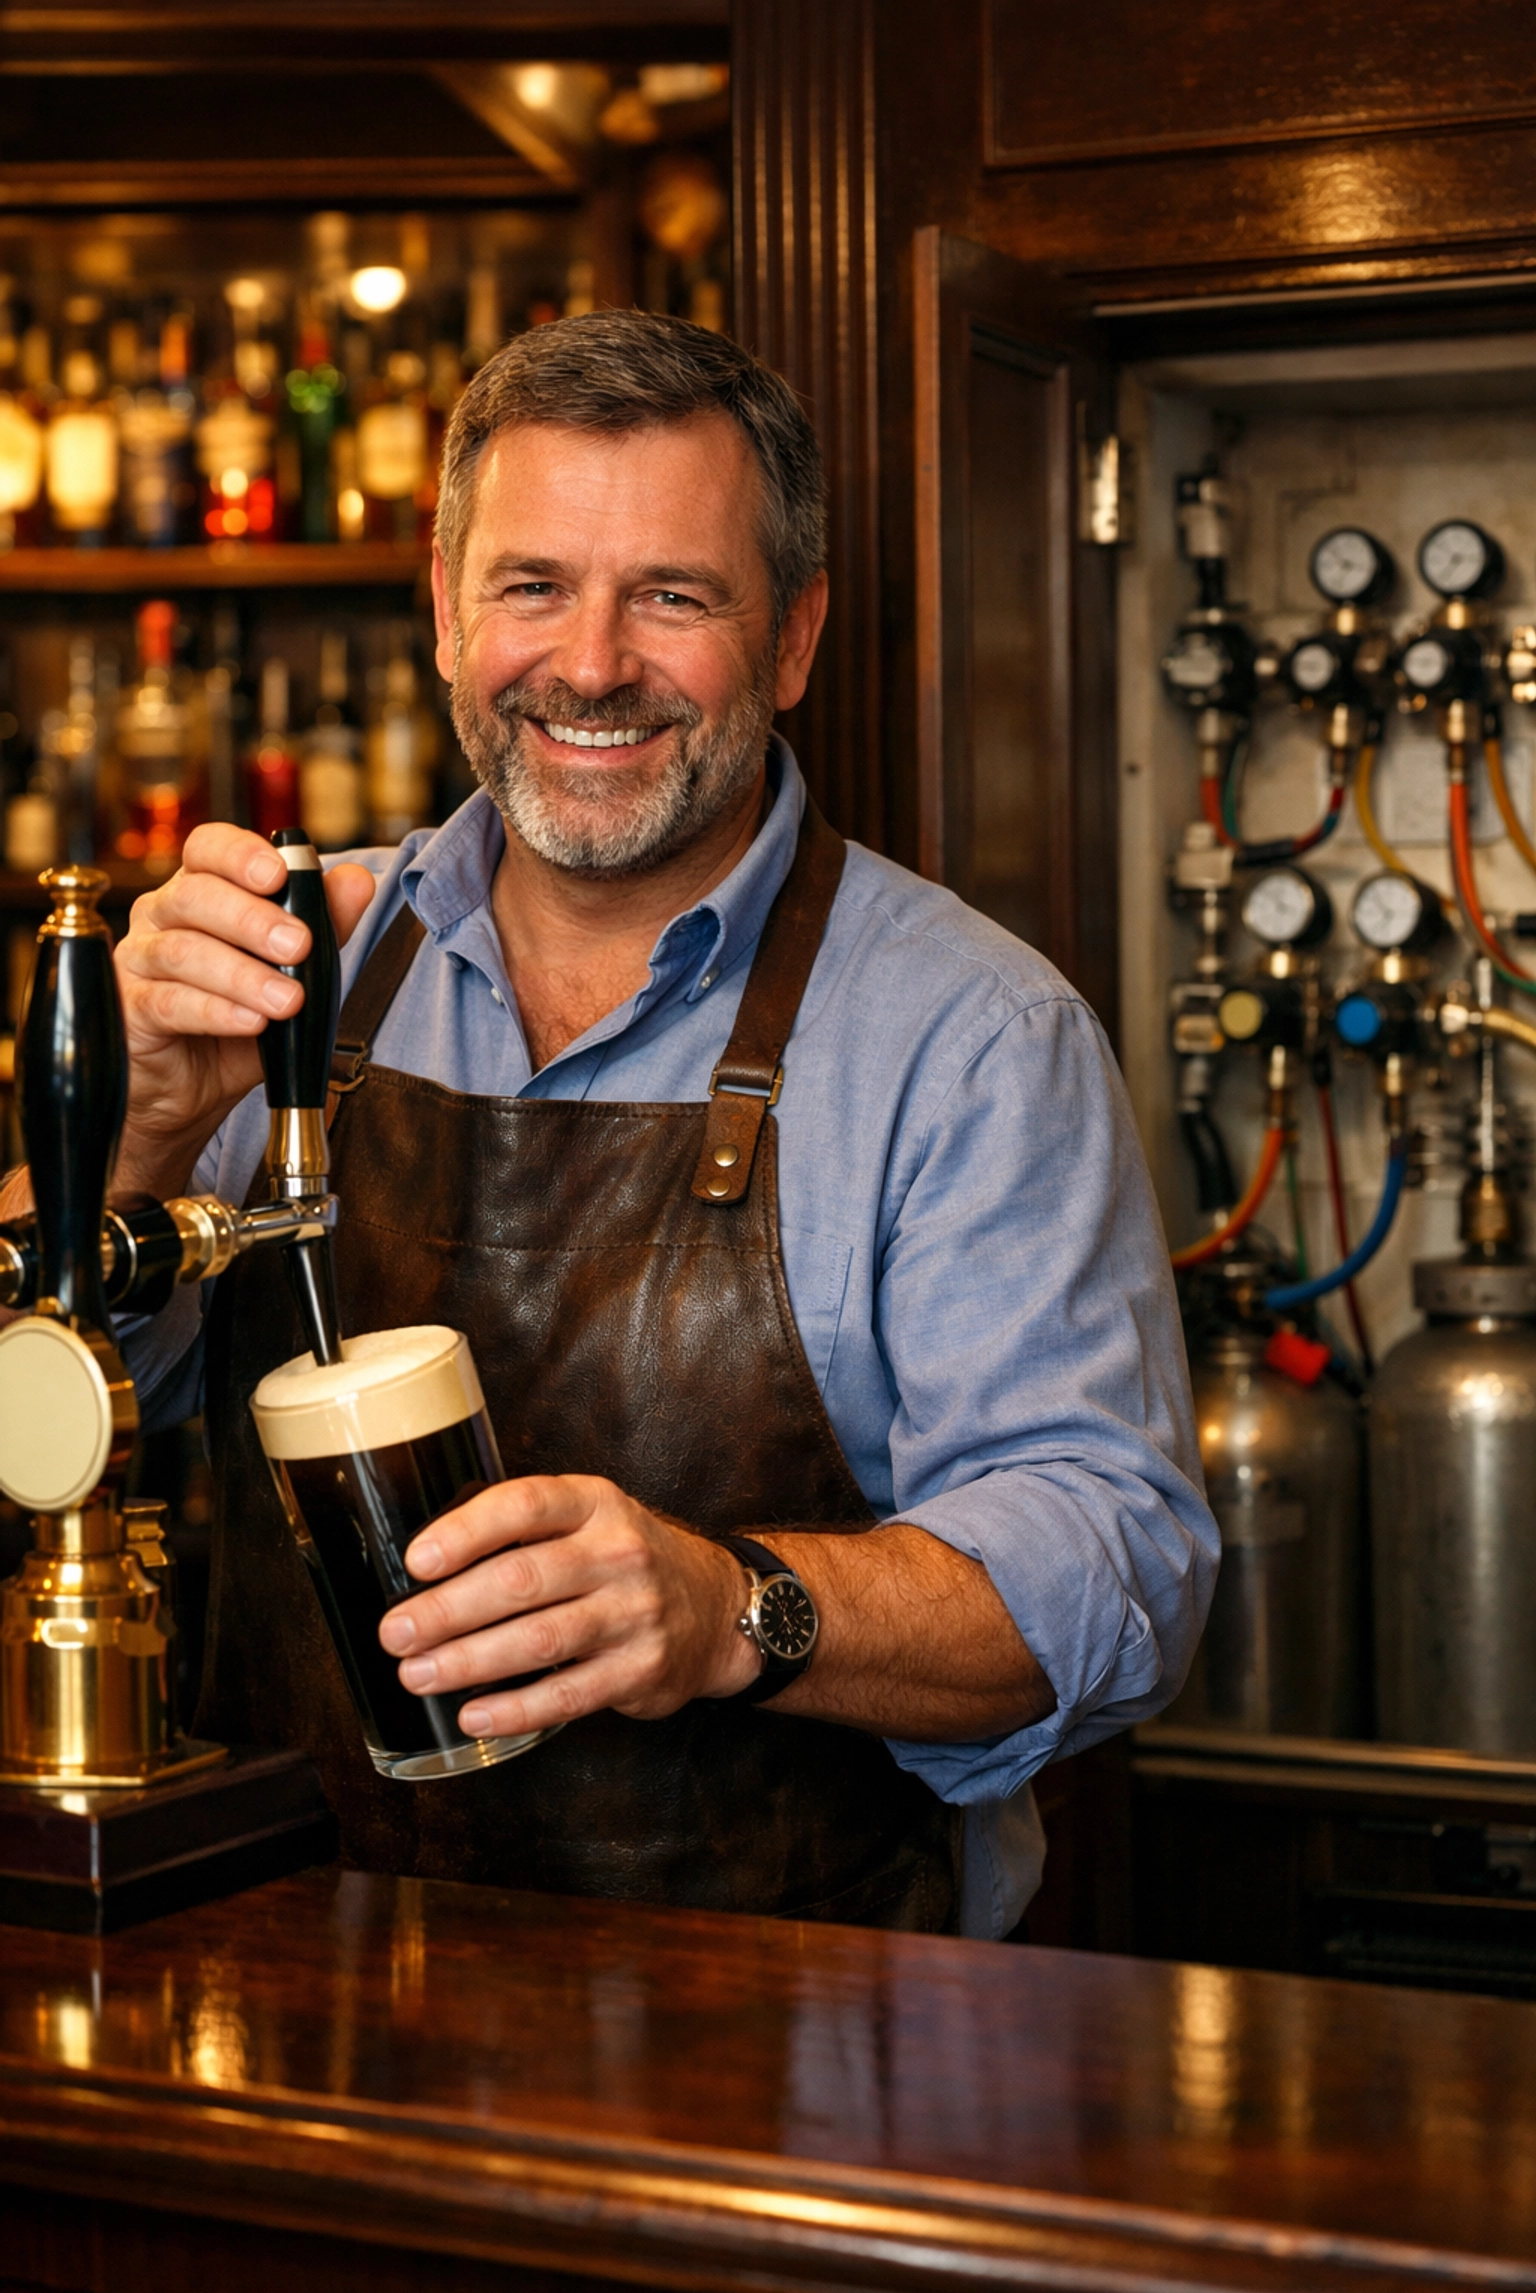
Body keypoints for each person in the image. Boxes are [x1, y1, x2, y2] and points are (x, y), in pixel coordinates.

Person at [39, 313, 1218, 1933]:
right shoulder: (294, 967)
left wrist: (734, 1609)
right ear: (448, 616)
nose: (589, 665)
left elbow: (1115, 1574)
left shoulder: (972, 1035)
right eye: (532, 587)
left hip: (790, 2049)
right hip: (290, 1992)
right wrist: (141, 1138)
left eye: (674, 595)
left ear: (793, 639)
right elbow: (68, 1430)